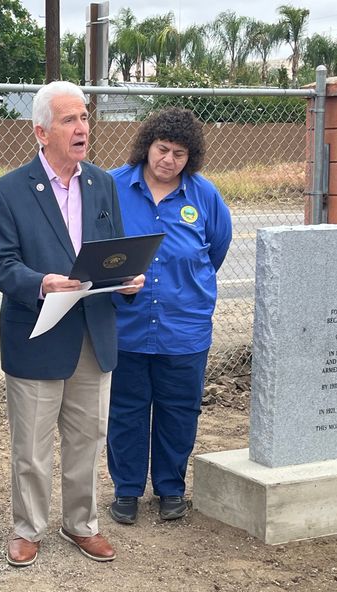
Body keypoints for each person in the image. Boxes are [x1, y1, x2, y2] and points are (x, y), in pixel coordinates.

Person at [0, 80, 143, 568]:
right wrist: (41, 282)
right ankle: (28, 528)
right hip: (38, 335)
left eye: (85, 118)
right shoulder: (8, 191)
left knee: (87, 438)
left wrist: (125, 278)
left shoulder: (102, 183)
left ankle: (81, 524)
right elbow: (0, 265)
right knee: (32, 445)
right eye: (70, 120)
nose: (82, 128)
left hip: (95, 334)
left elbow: (111, 249)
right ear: (41, 131)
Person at [107, 107, 232, 525]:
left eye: (180, 154)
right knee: (126, 410)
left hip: (184, 327)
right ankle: (126, 490)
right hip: (127, 326)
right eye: (162, 149)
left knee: (179, 410)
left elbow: (215, 251)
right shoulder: (112, 187)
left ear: (190, 157)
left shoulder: (205, 196)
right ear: (147, 146)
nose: (169, 160)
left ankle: (170, 488)